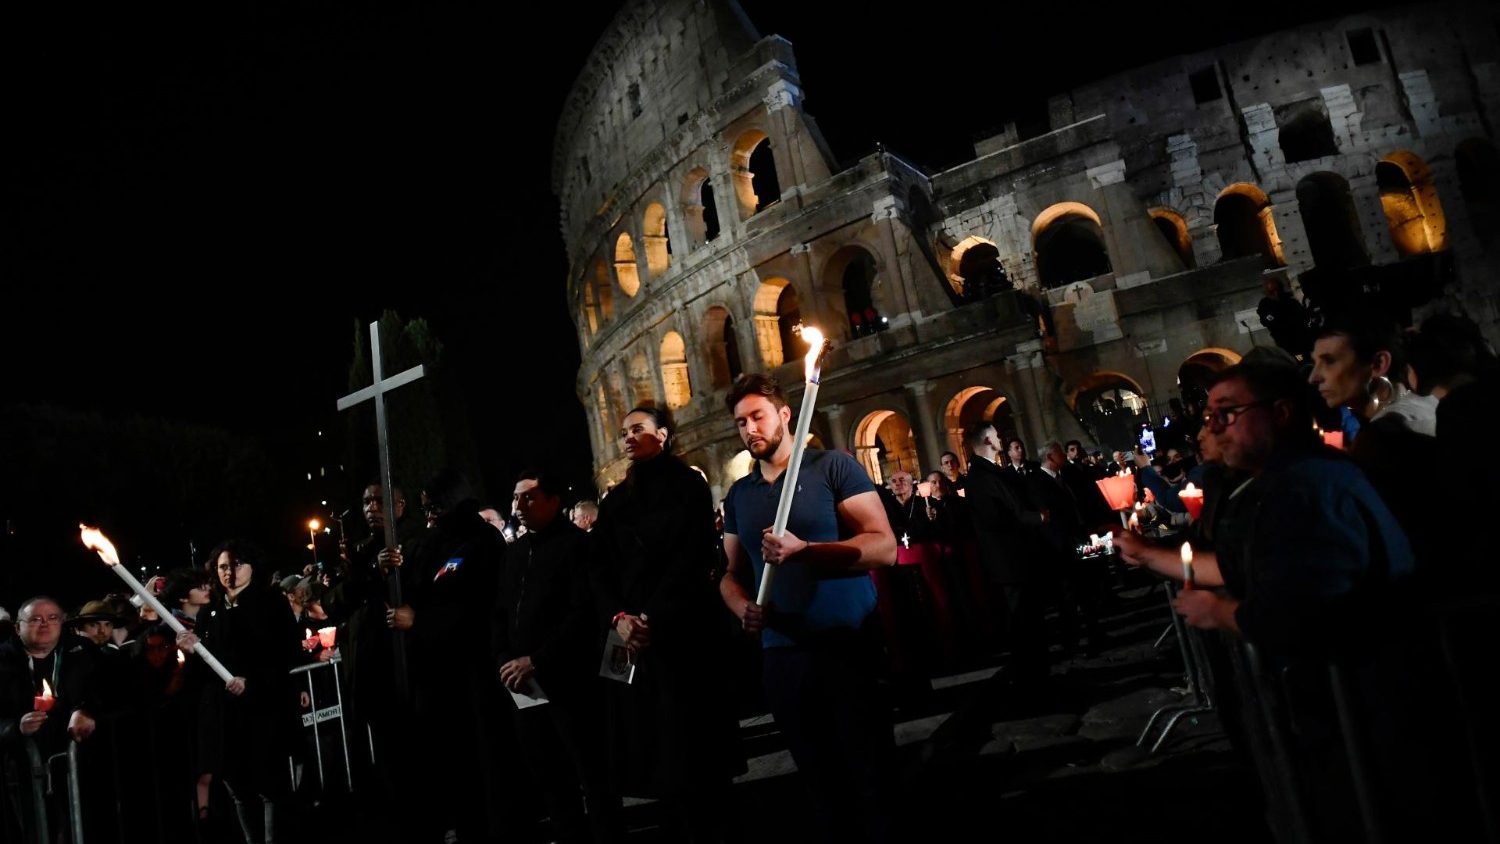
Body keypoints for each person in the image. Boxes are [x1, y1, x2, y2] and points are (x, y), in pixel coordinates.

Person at [719, 375, 898, 842]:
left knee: (872, 776)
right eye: (740, 422)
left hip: (847, 643)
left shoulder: (832, 467)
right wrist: (741, 607)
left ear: (784, 414)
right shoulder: (740, 495)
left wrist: (808, 551)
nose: (749, 429)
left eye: (757, 416)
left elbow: (884, 548)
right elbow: (730, 574)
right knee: (820, 781)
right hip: (782, 654)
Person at [591, 405, 744, 841]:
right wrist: (618, 617)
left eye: (638, 429)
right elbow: (598, 568)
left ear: (663, 435)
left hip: (681, 630)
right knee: (645, 750)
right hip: (626, 636)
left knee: (693, 748)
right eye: (624, 432)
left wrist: (649, 616)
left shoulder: (687, 484)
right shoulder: (615, 500)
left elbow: (691, 556)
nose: (627, 438)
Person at [389, 467, 513, 843]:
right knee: (452, 766)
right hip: (435, 675)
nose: (429, 517)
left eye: (435, 508)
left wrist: (421, 622)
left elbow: (479, 605)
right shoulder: (428, 544)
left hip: (475, 671)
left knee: (486, 764)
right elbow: (415, 586)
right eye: (425, 509)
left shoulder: (483, 541)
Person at [495, 469, 618, 843]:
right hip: (523, 683)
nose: (519, 505)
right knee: (549, 776)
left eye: (529, 497)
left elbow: (582, 613)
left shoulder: (577, 546)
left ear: (553, 501)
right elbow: (500, 612)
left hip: (571, 680)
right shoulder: (513, 554)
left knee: (592, 773)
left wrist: (538, 659)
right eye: (516, 498)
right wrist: (504, 659)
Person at [178, 539, 302, 844]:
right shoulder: (210, 613)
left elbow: (286, 653)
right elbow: (204, 671)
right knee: (240, 789)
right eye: (222, 566)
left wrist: (253, 681)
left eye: (236, 565)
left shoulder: (271, 602)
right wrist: (191, 651)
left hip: (264, 711)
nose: (229, 572)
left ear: (251, 567)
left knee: (270, 786)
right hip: (226, 716)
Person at [1308, 311, 1439, 565]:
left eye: (1329, 361)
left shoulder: (1382, 437)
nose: (1314, 377)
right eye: (1315, 362)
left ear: (1378, 364)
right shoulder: (1427, 403)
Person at [0, 597, 100, 841]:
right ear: (17, 627)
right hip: (21, 773)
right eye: (35, 619)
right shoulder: (2, 660)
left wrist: (86, 709)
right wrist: (16, 728)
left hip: (79, 768)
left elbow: (108, 690)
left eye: (52, 618)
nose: (44, 624)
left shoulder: (82, 651)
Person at [964, 422, 1050, 686]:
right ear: (988, 440)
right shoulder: (982, 477)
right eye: (997, 435)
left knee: (1029, 620)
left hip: (1013, 559)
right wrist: (1038, 518)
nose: (1000, 438)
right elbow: (1001, 518)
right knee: (1024, 622)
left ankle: (1036, 673)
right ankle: (1032, 679)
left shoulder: (989, 473)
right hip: (1009, 561)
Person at [1257, 275, 1313, 359]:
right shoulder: (1265, 305)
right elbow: (1265, 321)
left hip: (1301, 337)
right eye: (1272, 292)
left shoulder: (1290, 301)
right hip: (1285, 341)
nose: (1276, 293)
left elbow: (1303, 316)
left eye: (1277, 290)